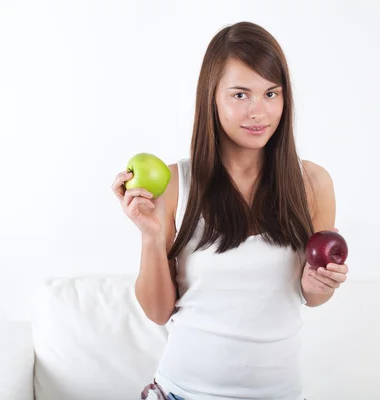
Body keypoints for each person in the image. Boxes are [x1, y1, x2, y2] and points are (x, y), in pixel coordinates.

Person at [111, 21, 349, 400]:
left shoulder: (314, 183)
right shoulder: (174, 184)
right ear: (212, 98)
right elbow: (158, 312)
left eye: (271, 93)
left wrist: (317, 284)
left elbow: (314, 296)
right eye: (240, 95)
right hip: (181, 393)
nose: (259, 111)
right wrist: (151, 237)